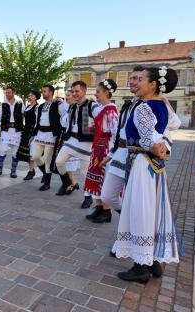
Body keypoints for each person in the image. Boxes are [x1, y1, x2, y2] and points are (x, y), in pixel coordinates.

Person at [112, 66, 181, 283]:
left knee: (140, 210)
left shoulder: (144, 107)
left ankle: (141, 267)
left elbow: (150, 138)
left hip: (143, 165)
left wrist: (156, 146)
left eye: (141, 79)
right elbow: (173, 126)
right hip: (155, 168)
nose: (136, 83)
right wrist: (163, 149)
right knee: (152, 210)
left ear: (153, 84)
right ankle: (152, 261)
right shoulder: (161, 104)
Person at [99, 66, 145, 219]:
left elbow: (173, 122)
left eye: (139, 79)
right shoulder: (128, 104)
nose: (133, 82)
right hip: (119, 153)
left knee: (135, 197)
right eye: (132, 78)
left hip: (137, 156)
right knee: (107, 195)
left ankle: (133, 223)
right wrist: (111, 153)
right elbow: (119, 131)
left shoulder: (149, 104)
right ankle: (129, 216)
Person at [54, 81, 100, 208]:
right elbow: (65, 124)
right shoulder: (71, 107)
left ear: (84, 91)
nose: (74, 94)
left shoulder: (92, 105)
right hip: (71, 141)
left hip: (86, 143)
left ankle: (87, 197)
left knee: (85, 172)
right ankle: (68, 183)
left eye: (77, 91)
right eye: (73, 91)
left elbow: (102, 117)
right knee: (59, 161)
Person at [83, 79, 119, 223]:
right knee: (95, 178)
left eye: (98, 92)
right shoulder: (103, 108)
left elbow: (115, 134)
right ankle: (98, 208)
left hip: (105, 149)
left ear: (106, 92)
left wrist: (110, 155)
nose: (96, 94)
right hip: (98, 147)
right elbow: (94, 111)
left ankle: (106, 211)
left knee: (103, 180)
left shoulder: (111, 111)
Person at [30, 85, 68, 191]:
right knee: (36, 156)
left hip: (51, 135)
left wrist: (61, 100)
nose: (43, 93)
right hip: (40, 134)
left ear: (51, 92)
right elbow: (37, 121)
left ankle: (47, 183)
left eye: (45, 91)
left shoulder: (58, 104)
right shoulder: (40, 107)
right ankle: (45, 174)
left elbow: (66, 114)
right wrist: (33, 134)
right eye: (42, 91)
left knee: (47, 159)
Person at [0, 86, 25, 178]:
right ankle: (0, 167)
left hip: (17, 131)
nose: (7, 94)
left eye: (9, 92)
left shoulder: (20, 104)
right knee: (3, 149)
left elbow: (27, 115)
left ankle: (13, 171)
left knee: (15, 152)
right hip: (6, 130)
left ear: (13, 93)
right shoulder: (3, 106)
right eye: (6, 92)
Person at [17, 90, 40, 180]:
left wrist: (34, 134)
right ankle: (32, 169)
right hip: (26, 130)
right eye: (29, 95)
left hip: (33, 131)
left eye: (32, 96)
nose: (30, 97)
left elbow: (37, 121)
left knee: (31, 153)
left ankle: (30, 171)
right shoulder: (27, 107)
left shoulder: (37, 107)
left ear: (36, 97)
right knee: (26, 153)